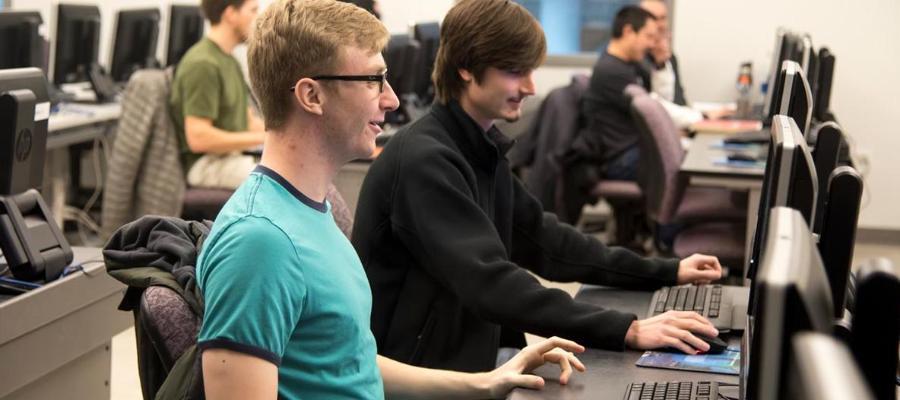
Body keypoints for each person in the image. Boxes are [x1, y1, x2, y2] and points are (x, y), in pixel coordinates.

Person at [196, 1, 586, 398]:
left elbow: (349, 360)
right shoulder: (260, 243)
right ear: (312, 95)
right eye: (373, 80)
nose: (392, 100)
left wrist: (486, 382)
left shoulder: (311, 209)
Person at [352, 0, 723, 374]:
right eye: (515, 72)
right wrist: (627, 328)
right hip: (425, 374)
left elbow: (548, 241)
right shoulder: (424, 161)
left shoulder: (477, 145)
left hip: (470, 358)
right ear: (465, 67)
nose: (530, 87)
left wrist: (664, 272)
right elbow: (490, 283)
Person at [169, 0, 266, 190]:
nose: (257, 20)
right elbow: (199, 139)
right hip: (207, 165)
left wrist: (281, 136)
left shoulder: (228, 60)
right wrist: (262, 139)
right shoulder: (203, 64)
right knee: (282, 184)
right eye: (253, 11)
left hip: (231, 157)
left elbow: (247, 121)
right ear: (230, 14)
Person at [575, 5, 658, 182]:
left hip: (632, 149)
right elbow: (654, 110)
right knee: (678, 162)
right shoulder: (611, 70)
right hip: (621, 157)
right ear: (628, 32)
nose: (652, 44)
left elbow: (656, 99)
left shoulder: (631, 65)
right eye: (648, 36)